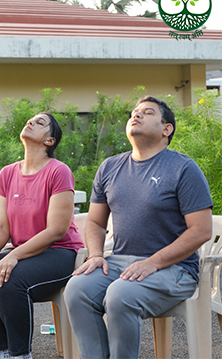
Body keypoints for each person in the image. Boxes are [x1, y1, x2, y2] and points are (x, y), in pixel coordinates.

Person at [64, 96, 213, 359]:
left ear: (167, 129)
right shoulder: (110, 167)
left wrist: (153, 262)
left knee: (120, 294)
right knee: (77, 290)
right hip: (121, 263)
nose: (136, 115)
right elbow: (96, 222)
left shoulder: (183, 168)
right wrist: (96, 255)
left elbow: (201, 230)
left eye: (148, 112)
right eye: (134, 111)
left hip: (175, 268)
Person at [0, 113, 83, 359]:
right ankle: (2, 352)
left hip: (62, 252)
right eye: (30, 120)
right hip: (24, 253)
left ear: (49, 141)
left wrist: (13, 256)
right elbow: (1, 227)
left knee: (11, 279)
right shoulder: (7, 174)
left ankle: (20, 354)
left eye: (40, 123)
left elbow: (56, 230)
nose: (30, 122)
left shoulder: (58, 171)